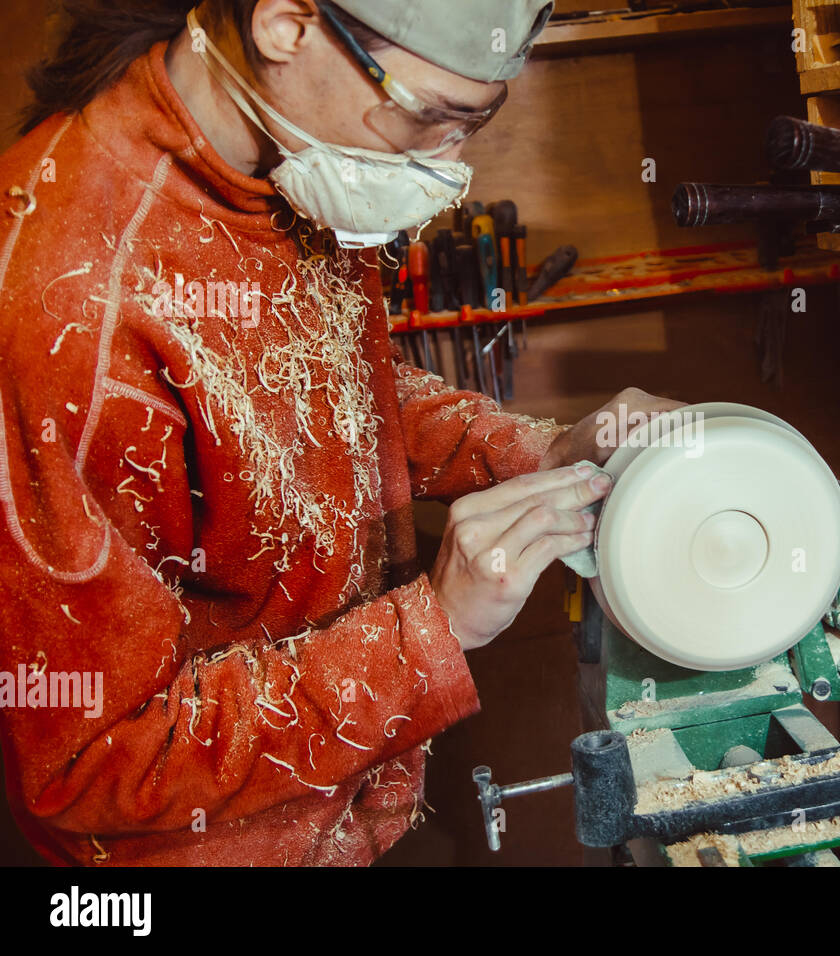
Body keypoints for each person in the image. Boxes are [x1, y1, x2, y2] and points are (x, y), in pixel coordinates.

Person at [0, 0, 679, 865]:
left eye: (477, 122)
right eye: (432, 116)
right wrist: (433, 630)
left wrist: (541, 451)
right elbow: (95, 765)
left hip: (355, 807)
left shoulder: (297, 155)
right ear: (288, 24)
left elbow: (336, 388)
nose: (448, 166)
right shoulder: (62, 308)